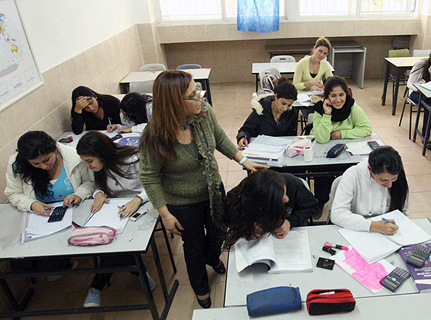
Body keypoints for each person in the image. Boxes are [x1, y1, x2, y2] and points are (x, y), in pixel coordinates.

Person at [139, 70, 266, 309]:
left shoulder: (204, 113)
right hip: (182, 202)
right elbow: (149, 176)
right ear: (175, 102)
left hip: (211, 189)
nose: (200, 97)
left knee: (219, 229)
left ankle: (212, 256)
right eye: (192, 94)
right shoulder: (155, 136)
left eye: (197, 90)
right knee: (193, 245)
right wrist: (165, 214)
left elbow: (219, 138)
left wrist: (243, 161)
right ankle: (200, 287)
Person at [75, 131, 156, 307]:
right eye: (85, 162)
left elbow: (153, 182)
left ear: (102, 153)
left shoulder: (134, 158)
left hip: (143, 203)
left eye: (90, 161)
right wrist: (98, 194)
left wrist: (138, 199)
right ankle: (139, 271)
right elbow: (98, 186)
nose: (88, 166)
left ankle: (96, 286)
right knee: (111, 239)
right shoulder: (97, 168)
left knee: (121, 241)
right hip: (115, 208)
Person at [4, 131, 94, 277]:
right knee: (20, 266)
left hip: (72, 214)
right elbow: (13, 193)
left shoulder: (73, 157)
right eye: (35, 163)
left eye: (47, 160)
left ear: (55, 150)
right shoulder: (16, 164)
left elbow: (89, 183)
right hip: (38, 219)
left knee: (51, 266)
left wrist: (78, 195)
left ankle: (62, 263)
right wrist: (32, 204)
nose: (43, 166)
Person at [310, 76, 373, 216]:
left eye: (341, 95)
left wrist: (342, 133)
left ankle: (348, 203)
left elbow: (366, 128)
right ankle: (320, 201)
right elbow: (321, 138)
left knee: (353, 174)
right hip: (324, 156)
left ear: (346, 94)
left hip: (348, 154)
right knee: (322, 173)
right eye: (333, 96)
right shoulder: (320, 110)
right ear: (326, 97)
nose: (338, 100)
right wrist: (327, 115)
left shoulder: (351, 106)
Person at [223, 170, 318, 247]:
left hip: (289, 234)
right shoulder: (246, 193)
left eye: (285, 193)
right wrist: (249, 227)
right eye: (280, 197)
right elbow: (230, 216)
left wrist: (290, 222)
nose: (287, 199)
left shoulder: (291, 183)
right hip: (257, 243)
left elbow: (311, 206)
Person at [331, 146, 409, 235]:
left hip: (387, 233)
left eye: (394, 178)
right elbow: (337, 214)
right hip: (355, 230)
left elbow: (403, 213)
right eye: (383, 180)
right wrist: (373, 226)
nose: (389, 185)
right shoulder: (352, 175)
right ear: (370, 169)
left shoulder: (402, 181)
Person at [236, 77, 298, 150]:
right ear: (276, 96)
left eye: (289, 105)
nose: (285, 108)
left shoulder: (292, 113)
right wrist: (243, 137)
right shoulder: (261, 109)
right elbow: (245, 130)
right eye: (283, 103)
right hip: (261, 149)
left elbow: (291, 137)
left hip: (281, 151)